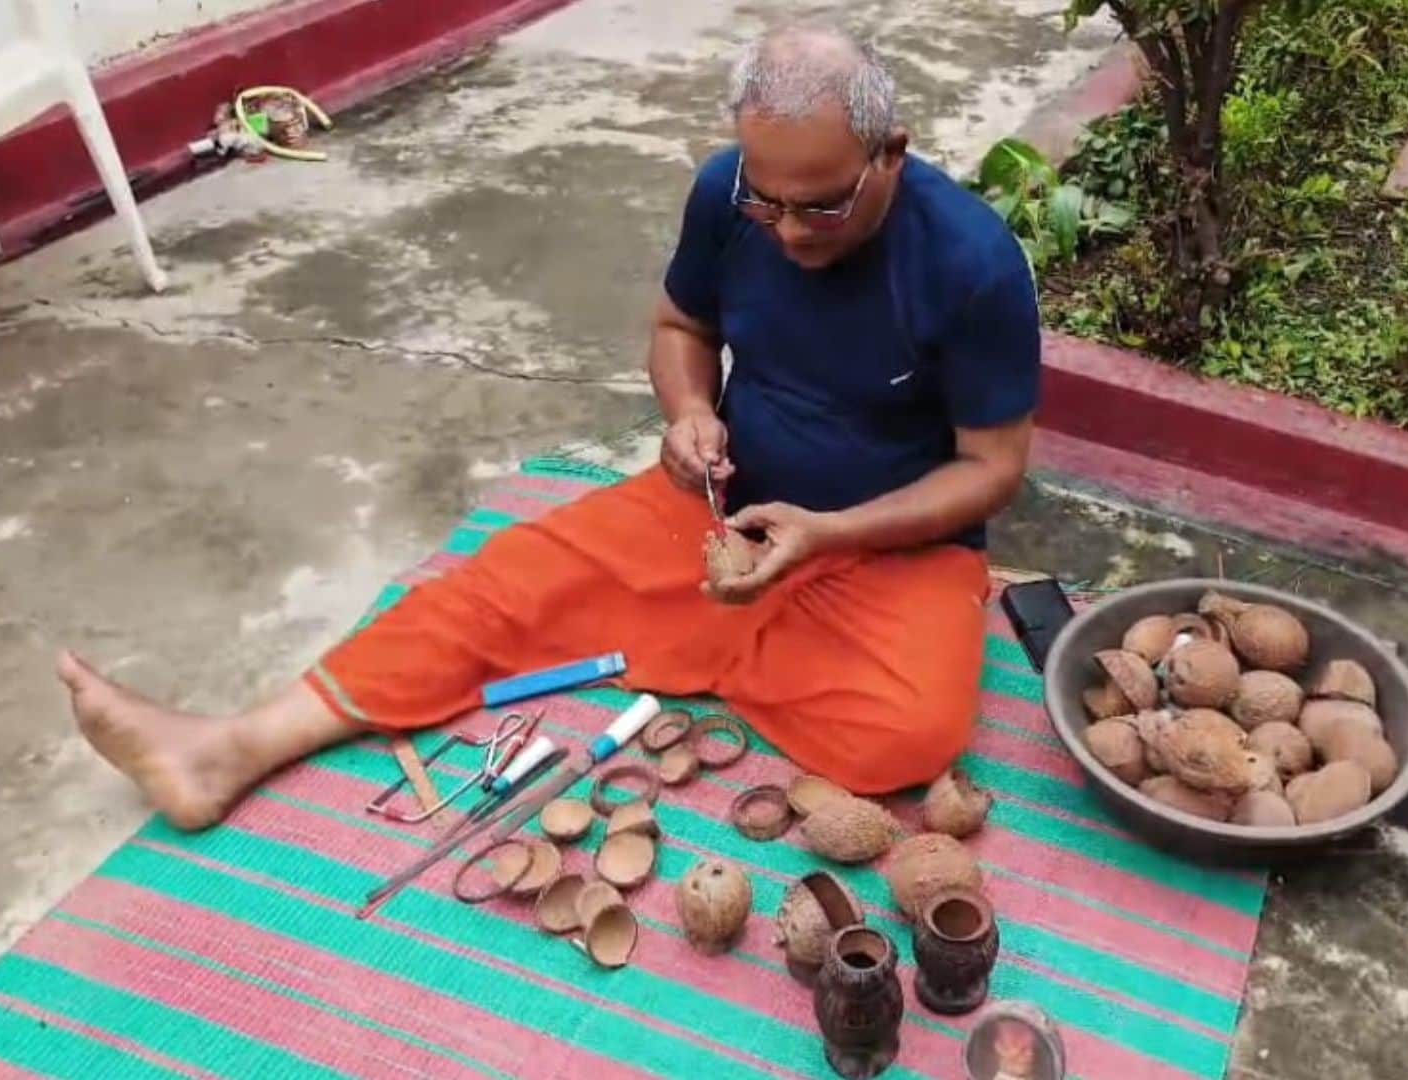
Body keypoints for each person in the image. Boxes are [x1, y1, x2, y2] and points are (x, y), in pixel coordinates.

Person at [59, 23, 1042, 831]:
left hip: (892, 549)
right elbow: (681, 326)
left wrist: (829, 535)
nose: (784, 231)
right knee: (494, 590)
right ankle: (228, 747)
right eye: (764, 199)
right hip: (722, 513)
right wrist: (691, 411)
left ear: (892, 155)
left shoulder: (972, 262)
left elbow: (992, 468)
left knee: (907, 738)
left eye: (818, 206)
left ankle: (685, 636)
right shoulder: (725, 196)